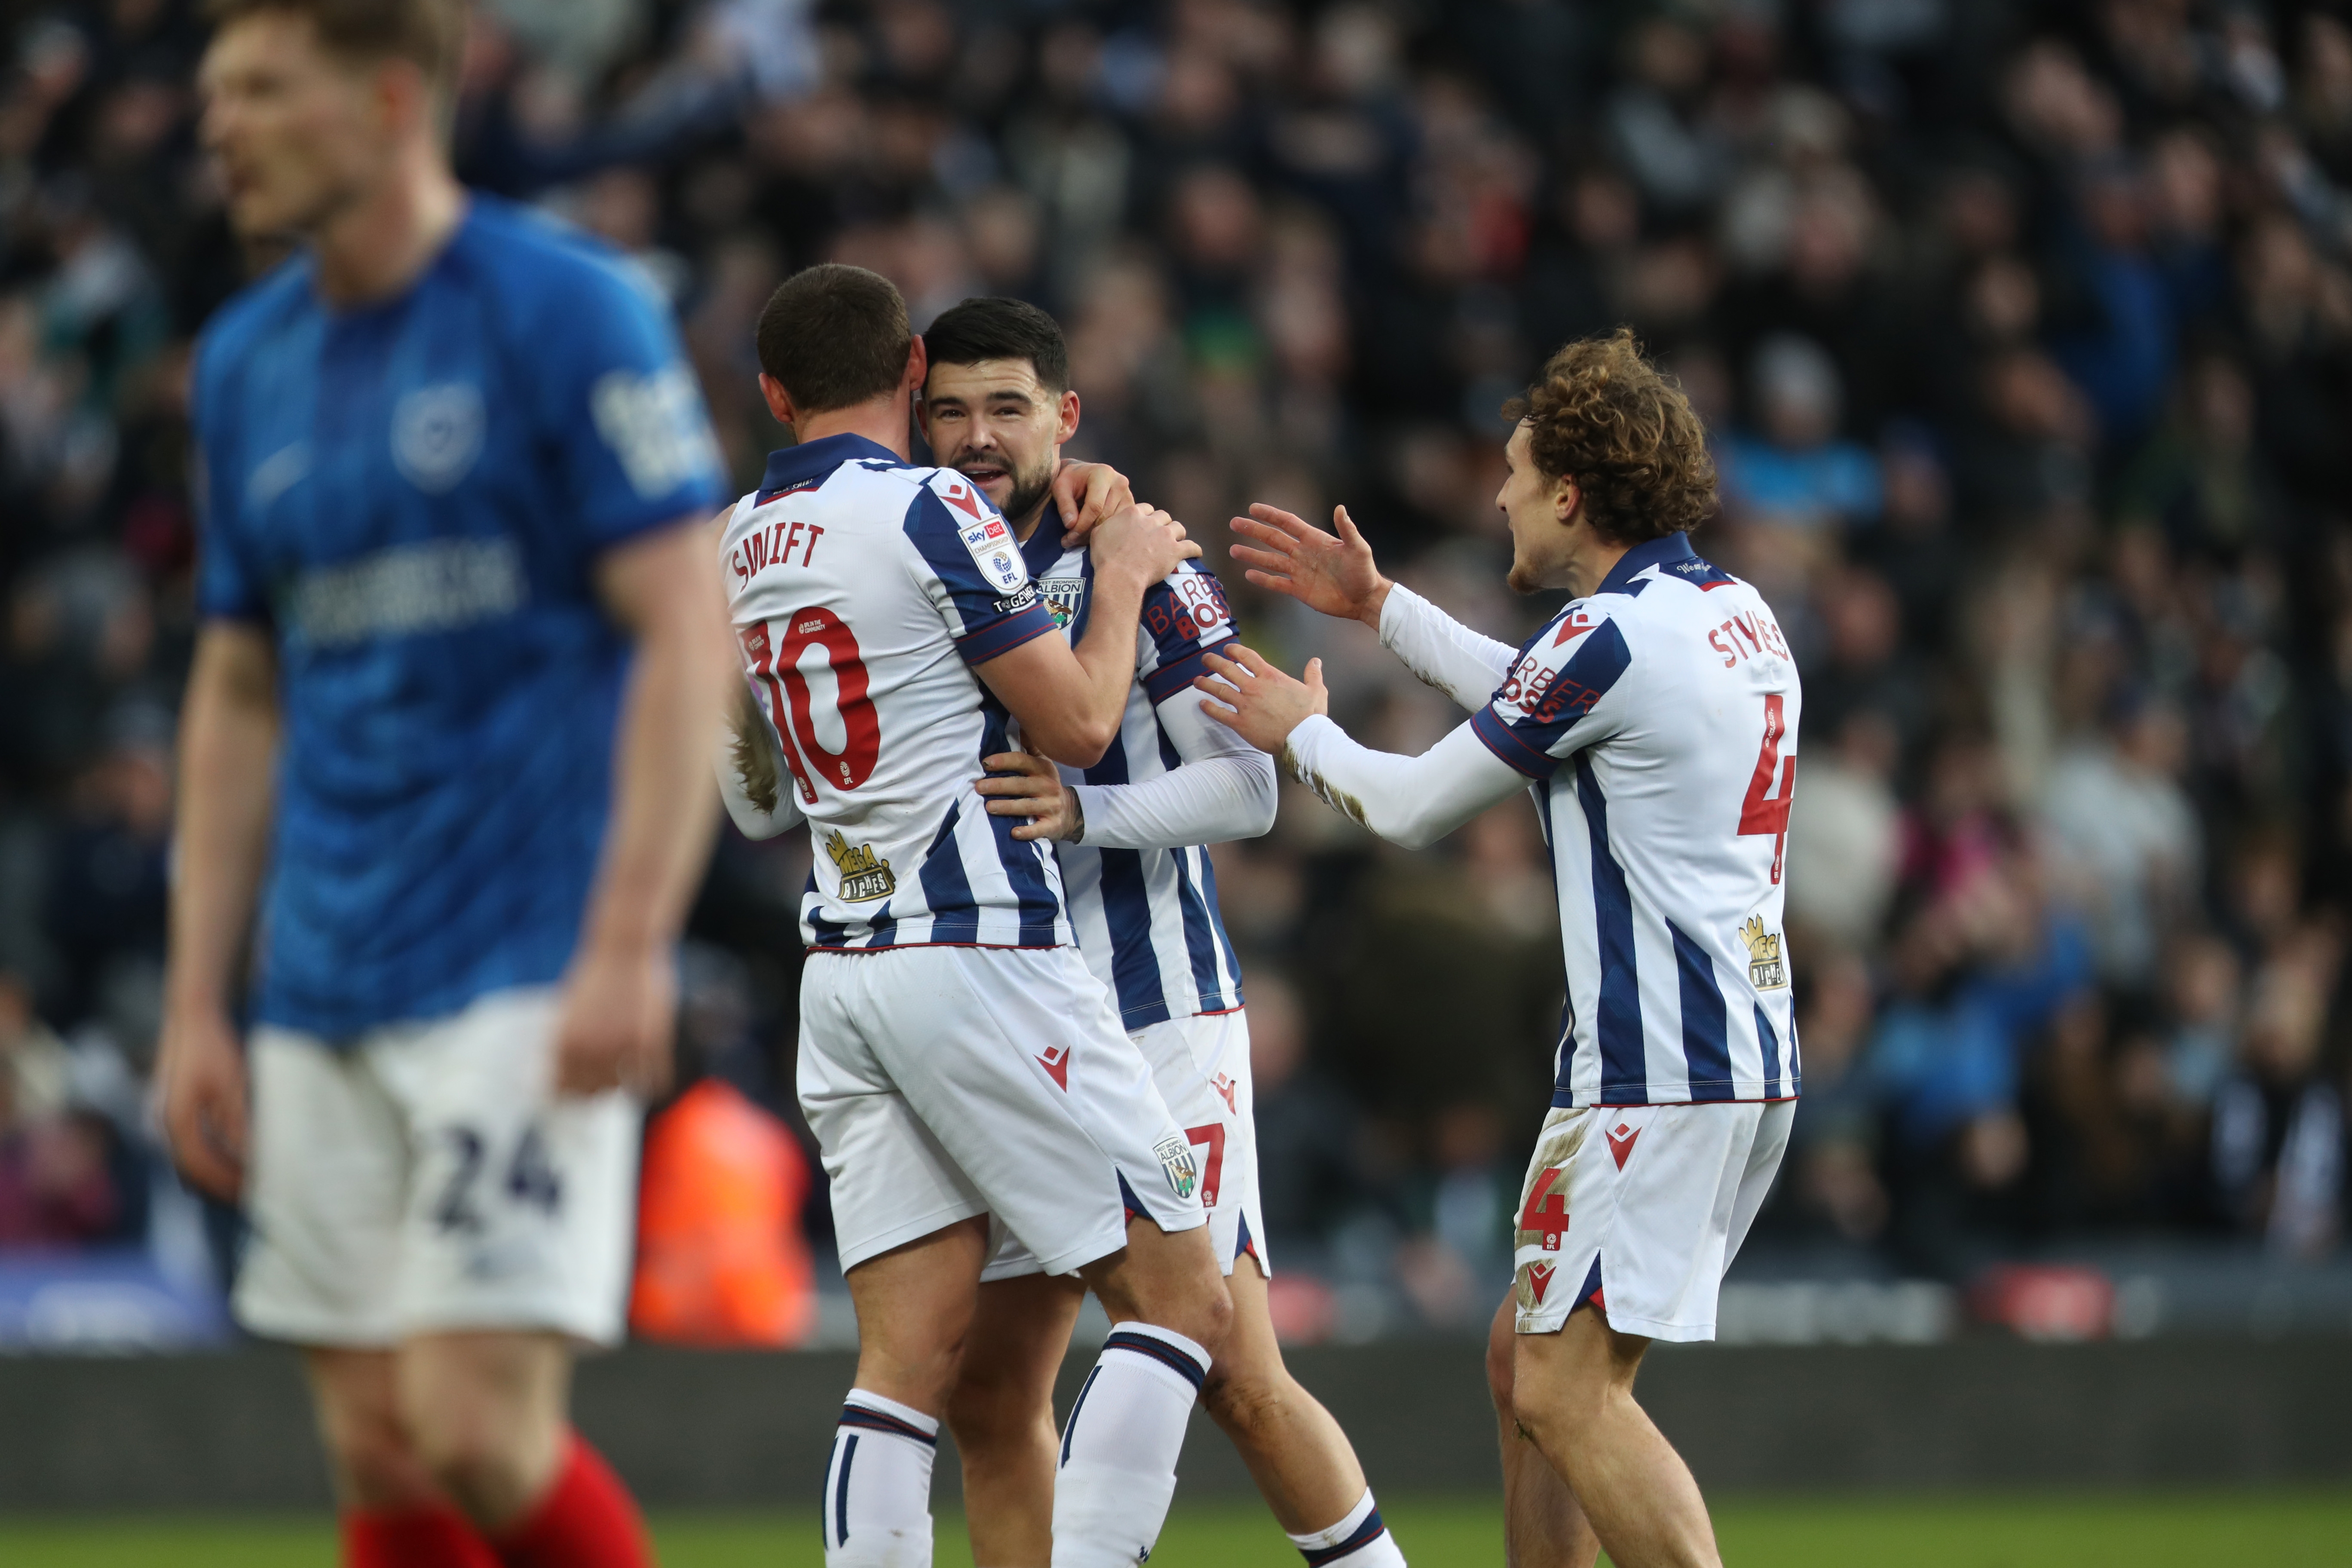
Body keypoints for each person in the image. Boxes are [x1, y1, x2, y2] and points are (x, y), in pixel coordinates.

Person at [157, 3, 738, 1566]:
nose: (223, 124)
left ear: (392, 97)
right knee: (378, 1451)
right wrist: (198, 999)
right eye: (216, 91)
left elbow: (689, 627)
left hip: (525, 961)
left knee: (474, 1430)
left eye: (264, 89)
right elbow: (237, 683)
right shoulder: (241, 365)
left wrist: (628, 939)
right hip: (319, 973)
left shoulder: (566, 310)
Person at [1200, 328, 1800, 1568]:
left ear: (1572, 494)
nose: (1499, 493)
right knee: (1524, 1359)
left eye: (1518, 472)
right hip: (1737, 1052)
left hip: (1655, 1064)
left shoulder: (1609, 642)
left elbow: (1418, 805)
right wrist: (1379, 608)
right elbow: (1549, 692)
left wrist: (1300, 733)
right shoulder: (1726, 613)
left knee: (1569, 1392)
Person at [717, 263, 1232, 1568]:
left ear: (774, 394)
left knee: (907, 1364)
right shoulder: (933, 505)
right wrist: (1115, 575)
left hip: (840, 976)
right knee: (1182, 1296)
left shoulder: (732, 542)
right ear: (908, 378)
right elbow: (1076, 723)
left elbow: (754, 804)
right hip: (981, 955)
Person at [912, 296, 1409, 1568]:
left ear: (1064, 418)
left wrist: (1085, 811)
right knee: (990, 1394)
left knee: (1233, 1363)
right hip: (997, 1020)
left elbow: (1248, 788)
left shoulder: (1140, 564)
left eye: (1007, 408)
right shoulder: (910, 562)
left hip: (1157, 1014)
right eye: (952, 409)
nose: (977, 436)